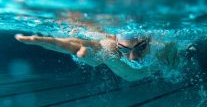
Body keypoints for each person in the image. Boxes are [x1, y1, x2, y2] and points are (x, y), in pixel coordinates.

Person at [15, 31, 181, 81]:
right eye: (123, 49)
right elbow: (81, 43)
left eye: (141, 48)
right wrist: (55, 43)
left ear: (149, 40)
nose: (132, 57)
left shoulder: (164, 46)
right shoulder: (109, 45)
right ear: (115, 41)